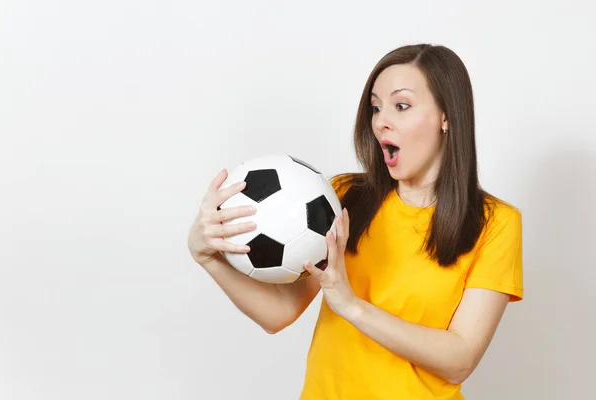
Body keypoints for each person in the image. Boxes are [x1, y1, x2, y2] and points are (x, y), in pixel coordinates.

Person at [188, 43, 523, 400]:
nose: (381, 120)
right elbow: (281, 312)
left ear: (446, 116)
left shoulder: (496, 223)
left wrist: (351, 305)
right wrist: (209, 258)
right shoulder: (342, 197)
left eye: (402, 106)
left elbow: (460, 359)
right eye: (376, 107)